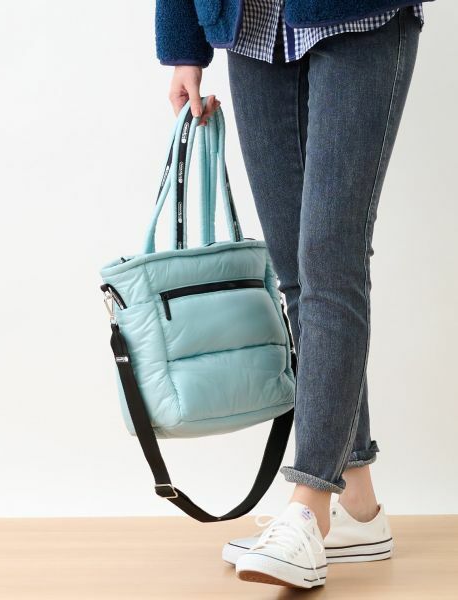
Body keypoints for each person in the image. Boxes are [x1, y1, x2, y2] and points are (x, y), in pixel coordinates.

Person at [155, 0, 427, 590]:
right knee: (298, 274)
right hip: (252, 25)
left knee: (331, 262)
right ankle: (357, 506)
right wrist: (183, 45)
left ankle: (308, 508)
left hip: (361, 18)